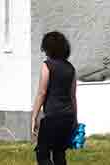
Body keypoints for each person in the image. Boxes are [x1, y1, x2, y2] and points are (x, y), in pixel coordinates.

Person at [30, 31, 77, 165]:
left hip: (53, 117)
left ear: (48, 48)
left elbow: (42, 92)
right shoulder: (71, 68)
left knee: (42, 154)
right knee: (59, 153)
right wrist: (75, 118)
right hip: (68, 117)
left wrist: (34, 116)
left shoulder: (47, 65)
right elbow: (73, 96)